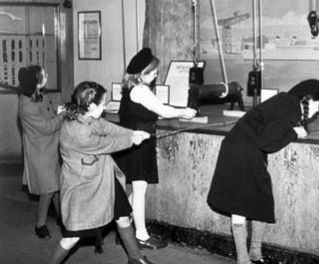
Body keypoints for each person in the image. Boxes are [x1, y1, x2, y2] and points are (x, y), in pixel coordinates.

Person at [207, 79, 319, 264]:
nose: (318, 110)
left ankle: (254, 253)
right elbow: (268, 143)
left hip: (246, 149)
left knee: (260, 202)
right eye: (317, 104)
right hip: (241, 152)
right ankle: (243, 259)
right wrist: (294, 133)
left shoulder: (286, 102)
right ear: (307, 100)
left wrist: (294, 130)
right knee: (240, 205)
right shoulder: (291, 109)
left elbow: (268, 133)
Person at [48, 81, 156, 264]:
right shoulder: (78, 131)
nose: (105, 106)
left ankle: (136, 258)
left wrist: (133, 133)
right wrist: (131, 140)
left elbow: (107, 127)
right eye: (102, 103)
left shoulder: (85, 114)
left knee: (122, 216)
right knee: (72, 237)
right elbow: (107, 144)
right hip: (83, 185)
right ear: (90, 106)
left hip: (103, 176)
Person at [113, 48, 197, 249]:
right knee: (140, 189)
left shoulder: (130, 89)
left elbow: (152, 110)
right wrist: (185, 112)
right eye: (152, 73)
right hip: (138, 143)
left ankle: (124, 228)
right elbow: (162, 111)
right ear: (140, 74)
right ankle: (141, 235)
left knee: (137, 189)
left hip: (135, 141)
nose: (155, 76)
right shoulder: (140, 90)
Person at [18, 65, 64, 240]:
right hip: (40, 151)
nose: (47, 75)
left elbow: (49, 114)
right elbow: (48, 126)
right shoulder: (27, 105)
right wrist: (65, 114)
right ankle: (40, 225)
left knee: (55, 186)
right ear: (36, 81)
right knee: (48, 189)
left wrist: (62, 110)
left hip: (50, 148)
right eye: (44, 74)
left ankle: (61, 218)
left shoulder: (38, 94)